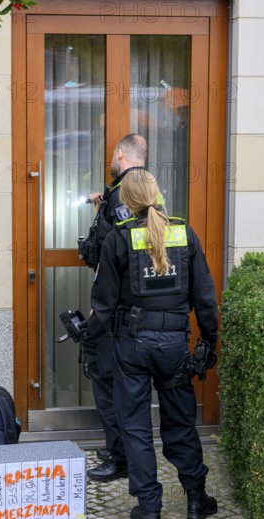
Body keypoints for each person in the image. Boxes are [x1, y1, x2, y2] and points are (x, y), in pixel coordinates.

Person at [82, 168, 218, 519]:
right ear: (157, 195)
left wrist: (88, 337)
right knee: (179, 423)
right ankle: (195, 499)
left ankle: (150, 509)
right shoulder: (183, 232)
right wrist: (209, 339)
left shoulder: (119, 238)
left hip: (132, 346)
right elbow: (204, 295)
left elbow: (104, 305)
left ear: (125, 201)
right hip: (174, 345)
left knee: (136, 426)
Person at [84, 134, 148, 483]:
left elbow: (117, 248)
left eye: (113, 153)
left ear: (121, 155)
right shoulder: (147, 192)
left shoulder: (122, 193)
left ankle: (118, 457)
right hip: (137, 307)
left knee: (105, 380)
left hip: (117, 308)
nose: (111, 158)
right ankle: (120, 449)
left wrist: (101, 307)